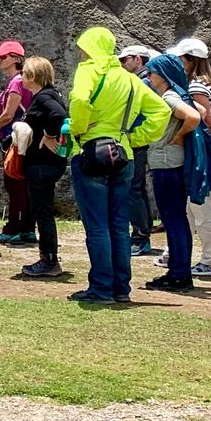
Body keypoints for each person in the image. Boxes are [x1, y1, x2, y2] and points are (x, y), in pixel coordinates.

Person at [66, 27, 172, 304]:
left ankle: (101, 288)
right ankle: (121, 289)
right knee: (118, 224)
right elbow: (161, 111)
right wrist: (134, 137)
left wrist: (79, 129)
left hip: (90, 150)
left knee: (97, 226)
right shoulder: (130, 79)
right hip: (122, 152)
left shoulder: (88, 70)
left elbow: (79, 99)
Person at [139, 53, 204, 292]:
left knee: (173, 219)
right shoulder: (175, 94)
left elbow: (194, 117)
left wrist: (176, 136)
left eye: (152, 72)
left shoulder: (168, 97)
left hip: (167, 164)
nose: (149, 76)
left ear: (163, 75)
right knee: (176, 219)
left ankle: (179, 273)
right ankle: (178, 270)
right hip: (171, 164)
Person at [171, 37, 211, 276]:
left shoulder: (195, 87)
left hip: (199, 150)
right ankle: (177, 252)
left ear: (189, 60)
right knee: (191, 206)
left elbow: (210, 121)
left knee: (200, 206)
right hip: (208, 149)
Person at [17, 56, 70, 278]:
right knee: (42, 211)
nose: (21, 77)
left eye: (24, 73)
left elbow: (59, 115)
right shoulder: (49, 94)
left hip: (42, 163)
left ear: (32, 76)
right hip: (46, 163)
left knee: (42, 211)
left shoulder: (44, 97)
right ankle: (48, 258)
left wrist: (48, 135)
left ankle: (49, 260)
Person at [0, 39, 35, 245]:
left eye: (4, 56)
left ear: (16, 59)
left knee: (14, 184)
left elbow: (8, 114)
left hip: (13, 140)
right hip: (21, 140)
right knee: (22, 185)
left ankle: (13, 228)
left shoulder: (16, 82)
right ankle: (27, 229)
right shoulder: (21, 80)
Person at [117, 44, 159, 257]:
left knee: (134, 189)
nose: (122, 65)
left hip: (137, 141)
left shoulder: (142, 83)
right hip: (140, 141)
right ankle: (143, 233)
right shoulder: (146, 81)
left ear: (138, 59)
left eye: (125, 60)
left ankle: (141, 237)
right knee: (138, 189)